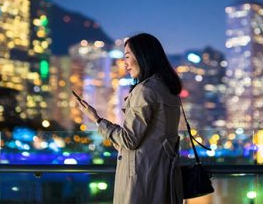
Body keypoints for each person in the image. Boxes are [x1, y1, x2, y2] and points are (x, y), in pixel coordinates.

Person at [73, 33, 184, 204]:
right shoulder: (168, 89)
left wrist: (97, 120)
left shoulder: (144, 90)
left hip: (141, 180)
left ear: (143, 56)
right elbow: (147, 140)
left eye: (127, 56)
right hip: (164, 178)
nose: (124, 64)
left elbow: (129, 140)